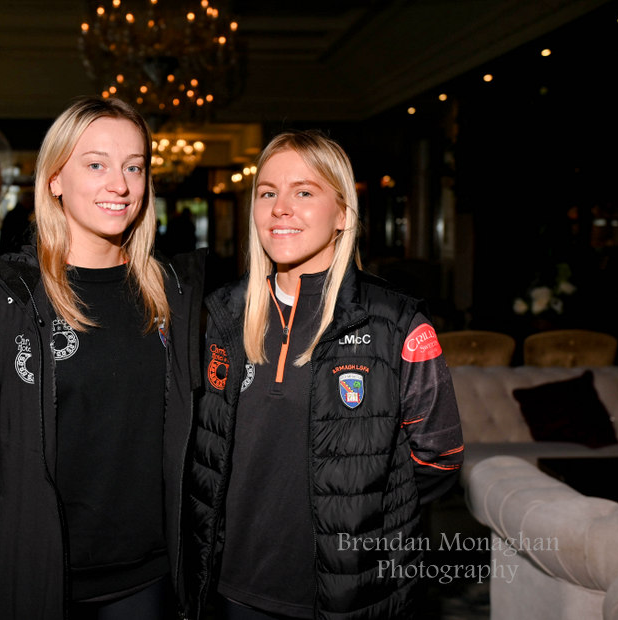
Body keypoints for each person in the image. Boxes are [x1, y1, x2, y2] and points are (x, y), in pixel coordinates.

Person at [0, 96, 205, 619]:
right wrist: (5, 539)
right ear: (54, 179)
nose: (119, 184)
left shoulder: (173, 293)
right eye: (95, 164)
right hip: (34, 578)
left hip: (148, 577)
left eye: (133, 167)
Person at [186, 130, 464, 619]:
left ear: (342, 213)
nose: (280, 208)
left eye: (305, 192)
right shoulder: (222, 316)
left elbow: (439, 459)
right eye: (268, 192)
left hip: (348, 596)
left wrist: (363, 522)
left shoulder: (395, 323)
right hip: (231, 588)